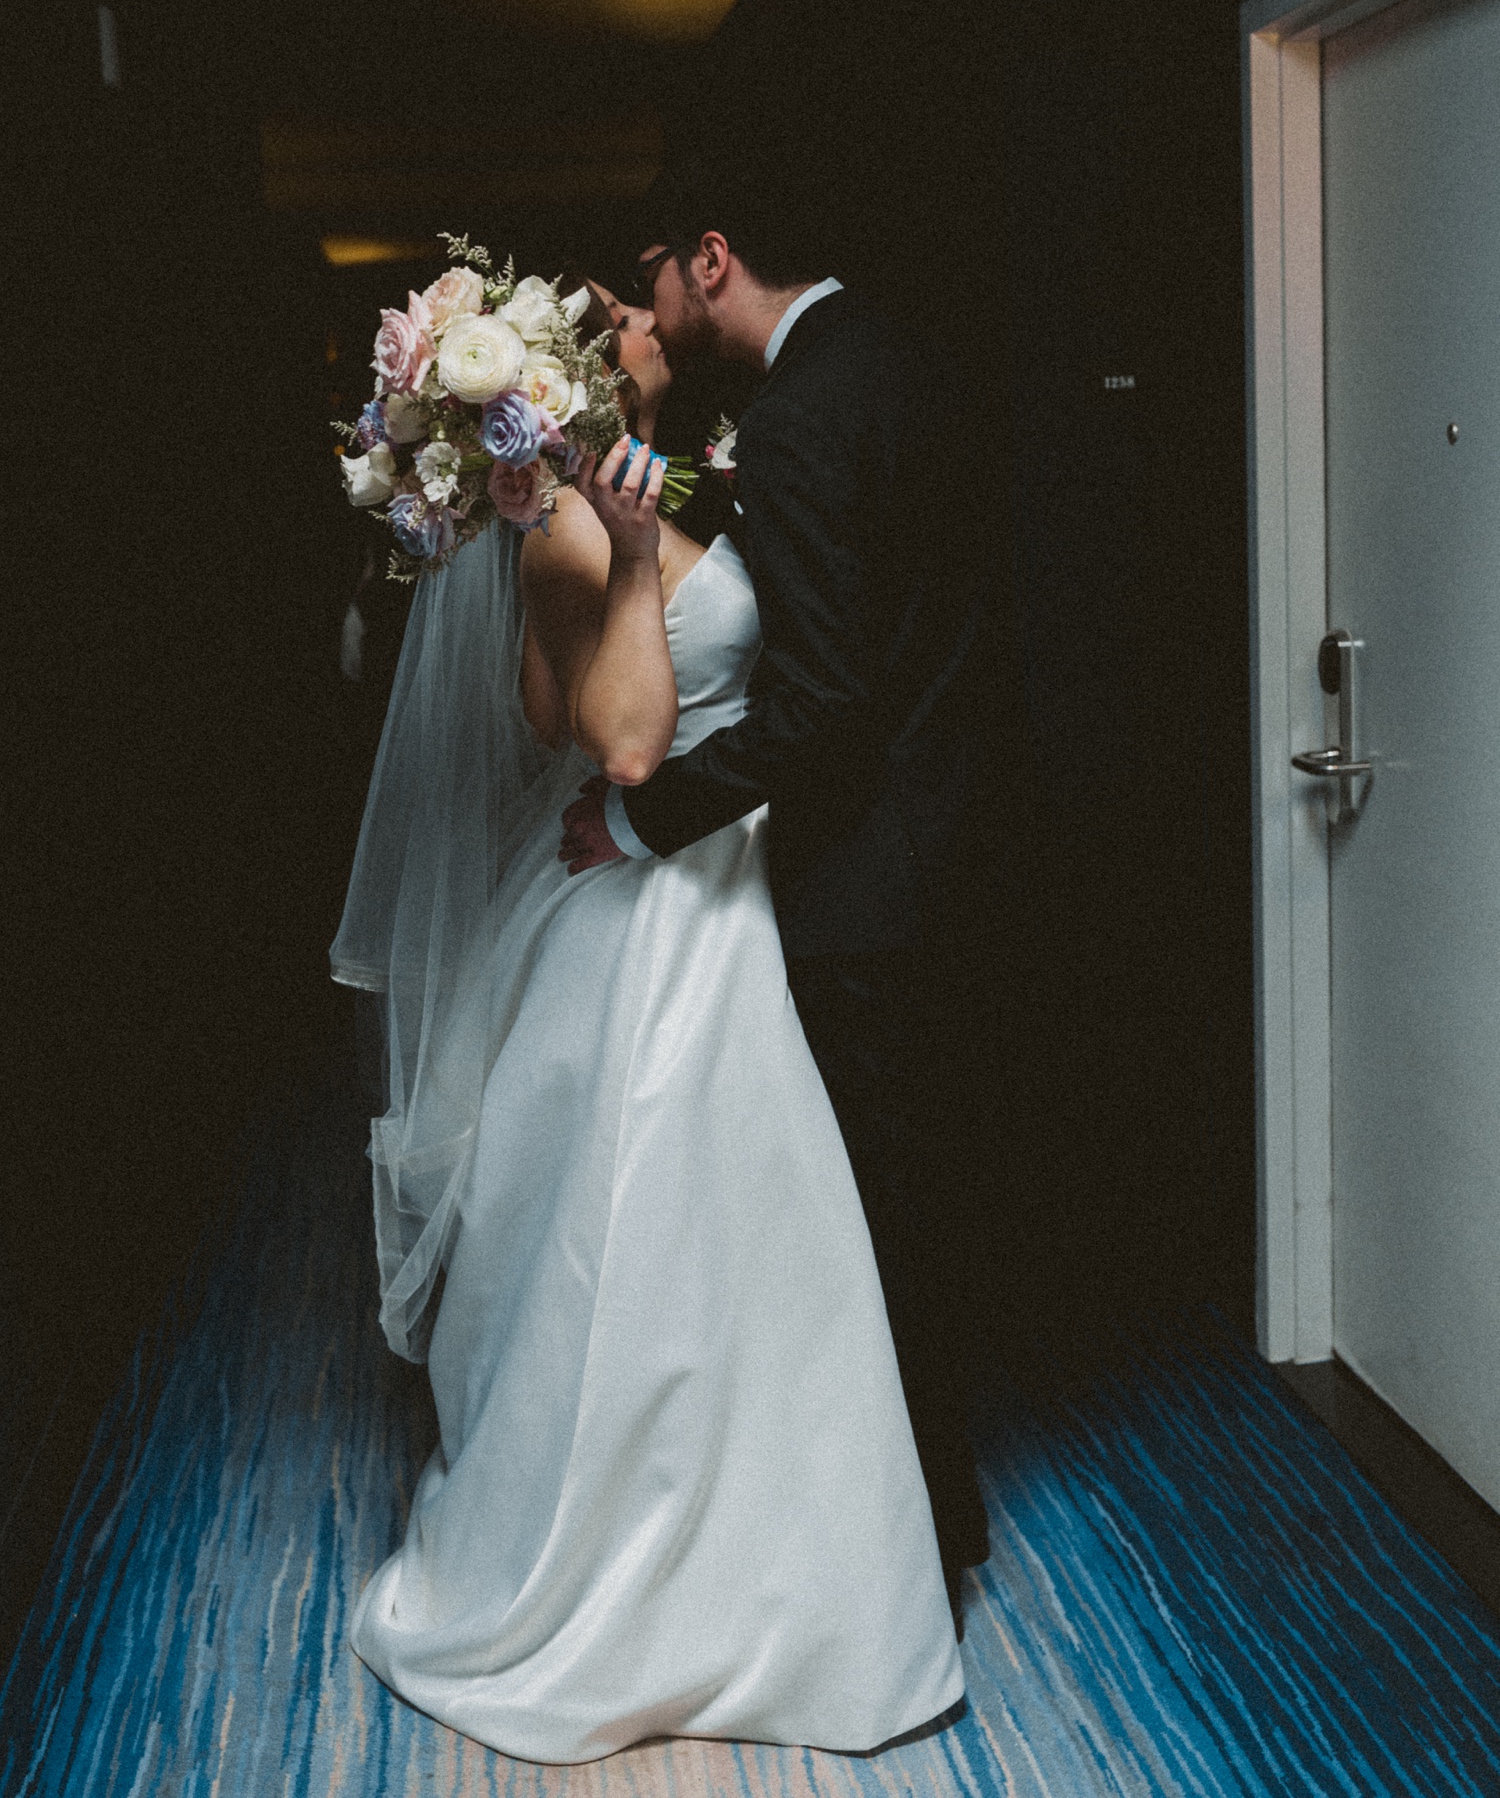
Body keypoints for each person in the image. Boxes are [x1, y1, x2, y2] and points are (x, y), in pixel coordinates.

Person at [331, 281, 963, 1762]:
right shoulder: (565, 520)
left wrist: (652, 510)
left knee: (757, 1252)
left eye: (630, 302)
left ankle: (780, 1560)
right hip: (654, 919)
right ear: (557, 384)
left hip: (715, 900)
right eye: (606, 319)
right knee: (656, 1250)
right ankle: (638, 1583)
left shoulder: (648, 476)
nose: (641, 314)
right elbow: (612, 738)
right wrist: (625, 565)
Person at [559, 171, 1032, 1611]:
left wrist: (644, 825)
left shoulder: (803, 411)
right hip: (961, 830)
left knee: (867, 1207)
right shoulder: (902, 358)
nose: (647, 309)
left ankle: (908, 1530)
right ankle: (923, 1501)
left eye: (655, 278)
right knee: (913, 1193)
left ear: (715, 259)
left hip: (864, 874)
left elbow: (820, 698)